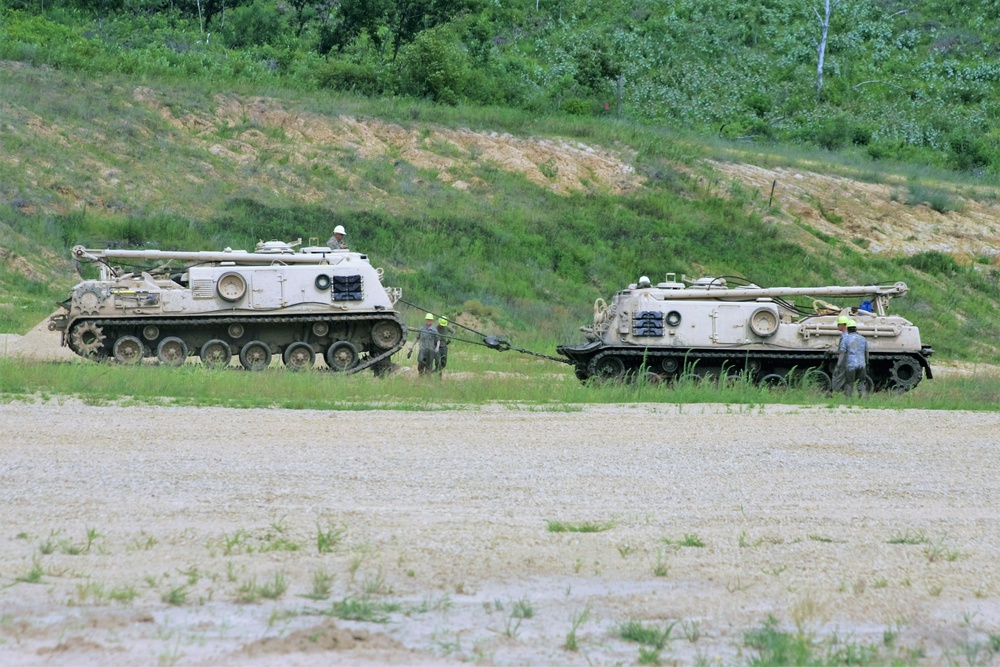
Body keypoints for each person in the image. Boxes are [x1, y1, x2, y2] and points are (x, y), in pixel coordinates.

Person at [836, 319, 869, 398]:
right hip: (862, 364)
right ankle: (862, 399)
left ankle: (848, 400)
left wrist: (838, 365)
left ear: (847, 329)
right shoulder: (863, 339)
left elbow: (842, 352)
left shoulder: (846, 339)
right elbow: (867, 352)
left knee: (849, 384)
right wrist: (867, 364)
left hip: (850, 365)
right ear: (856, 328)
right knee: (861, 383)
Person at [830, 315, 850, 394]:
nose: (837, 326)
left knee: (837, 375)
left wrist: (832, 352)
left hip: (844, 359)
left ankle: (835, 392)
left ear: (843, 325)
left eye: (839, 324)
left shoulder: (845, 336)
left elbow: (842, 351)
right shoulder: (849, 334)